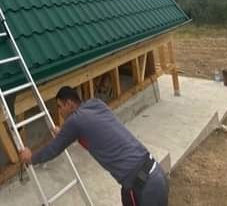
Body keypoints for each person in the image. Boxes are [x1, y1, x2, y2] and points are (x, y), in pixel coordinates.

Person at [19, 86, 168, 206]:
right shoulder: (96, 104)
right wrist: (65, 133)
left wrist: (31, 157)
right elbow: (95, 131)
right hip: (155, 173)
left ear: (70, 104)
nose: (59, 111)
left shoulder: (74, 122)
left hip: (140, 188)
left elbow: (53, 150)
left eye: (60, 106)